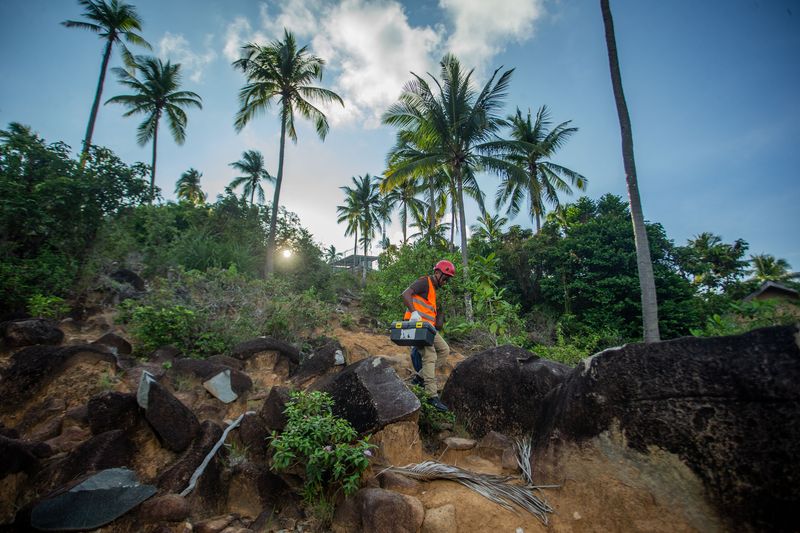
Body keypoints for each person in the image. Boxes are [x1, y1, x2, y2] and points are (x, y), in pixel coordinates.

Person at [402, 259, 455, 411]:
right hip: (418, 326)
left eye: (448, 280)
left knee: (444, 350)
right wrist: (414, 313)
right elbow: (405, 294)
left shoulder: (433, 291)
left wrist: (441, 311)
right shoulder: (424, 282)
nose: (446, 282)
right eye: (445, 278)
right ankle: (432, 396)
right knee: (430, 356)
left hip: (428, 329)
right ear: (437, 273)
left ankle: (419, 377)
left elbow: (437, 324)